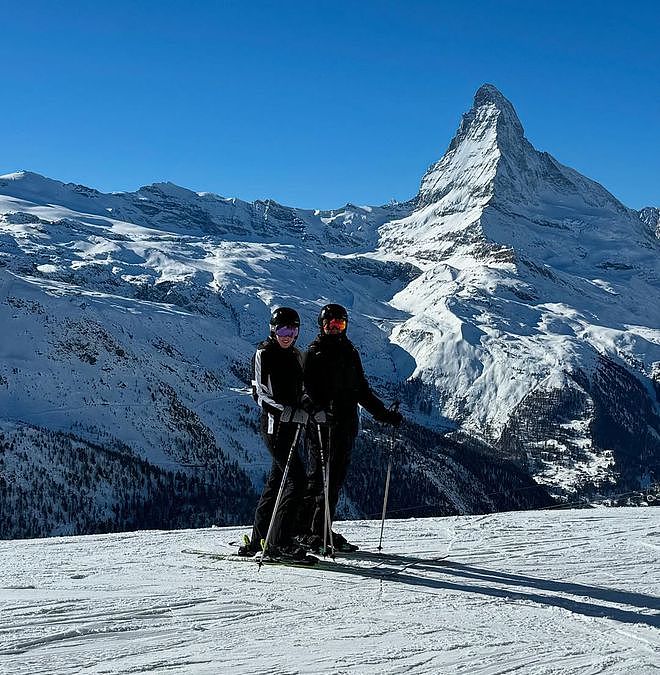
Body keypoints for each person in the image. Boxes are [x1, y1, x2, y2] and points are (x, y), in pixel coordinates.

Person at [300, 303, 402, 553]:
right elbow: (302, 393)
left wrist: (384, 415)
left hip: (346, 427)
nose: (335, 329)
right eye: (330, 324)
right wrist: (317, 412)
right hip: (321, 428)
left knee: (333, 483)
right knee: (316, 482)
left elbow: (361, 390)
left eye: (340, 324)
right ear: (321, 326)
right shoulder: (312, 354)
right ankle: (307, 533)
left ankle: (323, 530)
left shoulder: (349, 352)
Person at [239, 307, 309, 560]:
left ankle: (259, 538)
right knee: (297, 481)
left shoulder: (295, 356)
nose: (287, 335)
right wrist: (287, 412)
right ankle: (280, 541)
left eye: (292, 330)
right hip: (274, 426)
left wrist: (308, 406)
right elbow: (260, 395)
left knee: (277, 481)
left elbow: (300, 390)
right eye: (282, 330)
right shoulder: (264, 353)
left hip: (293, 427)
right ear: (273, 330)